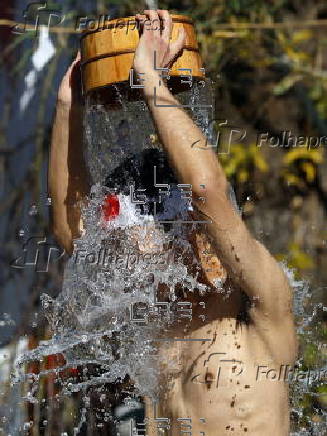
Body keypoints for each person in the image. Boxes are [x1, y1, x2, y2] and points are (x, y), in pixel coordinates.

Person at [49, 10, 298, 436]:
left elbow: (206, 193)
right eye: (133, 237)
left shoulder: (259, 305)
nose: (139, 251)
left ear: (197, 229)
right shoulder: (156, 324)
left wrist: (150, 81)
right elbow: (74, 233)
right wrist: (67, 106)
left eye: (146, 235)